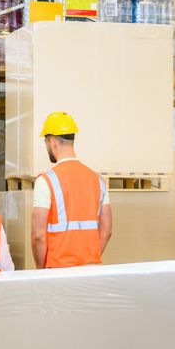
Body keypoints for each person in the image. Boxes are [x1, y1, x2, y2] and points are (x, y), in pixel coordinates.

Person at [31, 111, 112, 268]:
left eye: (46, 142)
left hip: (58, 270)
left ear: (52, 142)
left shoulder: (46, 181)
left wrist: (41, 271)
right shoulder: (97, 180)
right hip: (91, 269)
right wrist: (90, 259)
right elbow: (106, 230)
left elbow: (38, 235)